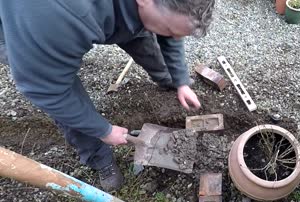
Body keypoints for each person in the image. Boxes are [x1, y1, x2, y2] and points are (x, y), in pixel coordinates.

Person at [0, 0, 216, 191]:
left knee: (147, 29)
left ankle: (167, 79)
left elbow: (170, 26)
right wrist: (103, 130)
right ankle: (98, 157)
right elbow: (47, 91)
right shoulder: (59, 19)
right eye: (170, 29)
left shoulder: (156, 8)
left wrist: (180, 80)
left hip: (107, 14)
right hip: (27, 27)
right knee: (63, 90)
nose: (174, 37)